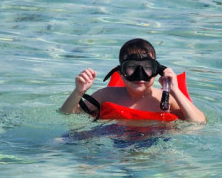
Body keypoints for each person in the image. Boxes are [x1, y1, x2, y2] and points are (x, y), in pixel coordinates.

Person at [60, 39, 207, 124]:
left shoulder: (166, 100)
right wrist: (79, 92)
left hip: (156, 146)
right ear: (121, 73)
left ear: (157, 72)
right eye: (131, 68)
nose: (140, 75)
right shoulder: (106, 96)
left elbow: (199, 122)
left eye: (147, 68)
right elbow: (67, 116)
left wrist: (174, 90)